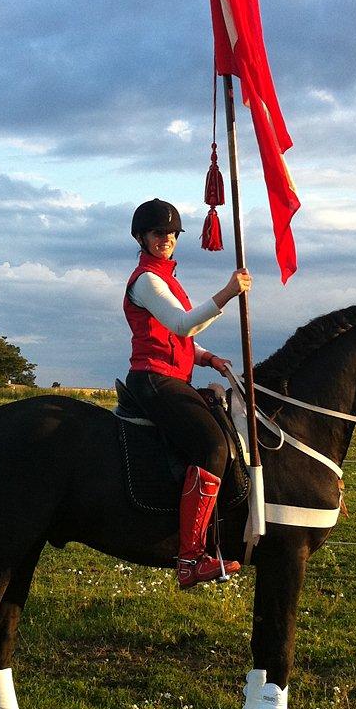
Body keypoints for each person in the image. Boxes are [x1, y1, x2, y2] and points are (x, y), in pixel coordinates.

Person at [124, 198, 252, 589]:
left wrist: (207, 357)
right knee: (212, 446)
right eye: (157, 233)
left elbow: (176, 338)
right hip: (153, 379)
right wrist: (227, 293)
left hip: (171, 377)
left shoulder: (166, 279)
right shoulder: (147, 281)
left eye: (171, 233)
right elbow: (182, 324)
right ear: (142, 237)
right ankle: (190, 558)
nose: (165, 238)